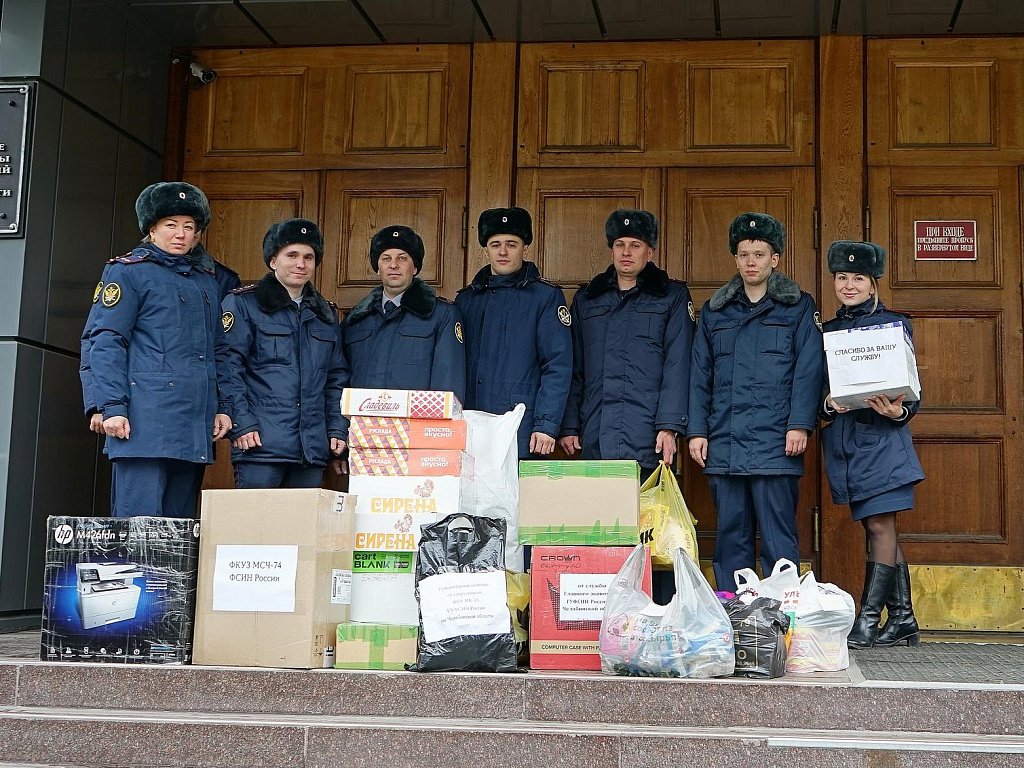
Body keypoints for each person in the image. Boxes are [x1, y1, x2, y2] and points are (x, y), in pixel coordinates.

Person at [687, 212, 822, 593]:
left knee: (779, 538)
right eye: (744, 254)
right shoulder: (715, 311)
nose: (751, 262)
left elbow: (808, 371)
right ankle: (732, 615)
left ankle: (782, 618)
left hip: (776, 441)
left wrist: (800, 423)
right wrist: (697, 431)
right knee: (730, 538)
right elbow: (699, 375)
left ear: (774, 259)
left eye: (759, 254)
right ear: (735, 259)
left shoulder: (797, 307)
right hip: (725, 441)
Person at [86, 181, 230, 517]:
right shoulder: (127, 272)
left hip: (193, 426)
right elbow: (105, 342)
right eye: (171, 225)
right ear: (152, 229)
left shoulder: (207, 281)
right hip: (142, 423)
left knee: (177, 540)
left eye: (189, 227)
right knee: (139, 533)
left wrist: (223, 406)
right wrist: (110, 406)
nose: (180, 234)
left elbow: (218, 351)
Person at [821, 240, 925, 648]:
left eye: (857, 278)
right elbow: (821, 390)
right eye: (842, 278)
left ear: (872, 283)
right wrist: (828, 404)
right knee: (874, 524)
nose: (849, 285)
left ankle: (867, 620)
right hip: (847, 442)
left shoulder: (895, 324)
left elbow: (914, 393)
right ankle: (902, 618)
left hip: (883, 441)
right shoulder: (827, 331)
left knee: (881, 524)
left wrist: (897, 412)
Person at [558, 208, 693, 472]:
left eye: (635, 245)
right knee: (598, 513)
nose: (626, 252)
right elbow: (574, 368)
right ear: (612, 251)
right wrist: (569, 424)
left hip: (649, 436)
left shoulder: (671, 296)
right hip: (595, 433)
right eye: (619, 245)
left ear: (650, 252)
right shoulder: (588, 299)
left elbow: (679, 365)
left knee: (647, 514)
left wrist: (669, 426)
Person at [217, 219, 348, 489]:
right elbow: (229, 368)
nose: (301, 264)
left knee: (301, 531)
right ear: (273, 260)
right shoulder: (243, 304)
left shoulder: (325, 314)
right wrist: (241, 423)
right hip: (260, 445)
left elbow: (336, 377)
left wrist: (336, 427)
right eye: (292, 255)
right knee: (256, 530)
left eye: (309, 257)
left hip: (310, 450)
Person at [455, 207, 572, 457]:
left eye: (512, 244)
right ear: (486, 249)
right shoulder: (466, 300)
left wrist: (546, 425)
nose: (503, 251)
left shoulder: (545, 297)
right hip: (471, 425)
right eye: (495, 244)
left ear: (525, 248)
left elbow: (557, 365)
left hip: (522, 428)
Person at [342, 225, 465, 400]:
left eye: (402, 258)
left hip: (416, 425)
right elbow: (340, 381)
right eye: (386, 259)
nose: (393, 265)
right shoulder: (355, 320)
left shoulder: (442, 315)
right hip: (362, 425)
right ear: (378, 268)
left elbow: (448, 385)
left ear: (414, 268)